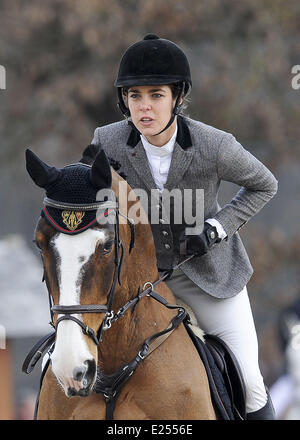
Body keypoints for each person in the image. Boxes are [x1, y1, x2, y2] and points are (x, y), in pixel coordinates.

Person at [88, 34, 278, 419]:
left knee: (252, 385)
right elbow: (97, 203)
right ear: (123, 99)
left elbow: (265, 184)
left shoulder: (215, 145)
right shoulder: (106, 141)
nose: (144, 107)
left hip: (208, 279)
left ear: (177, 97)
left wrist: (216, 229)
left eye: (156, 95)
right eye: (135, 95)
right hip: (140, 282)